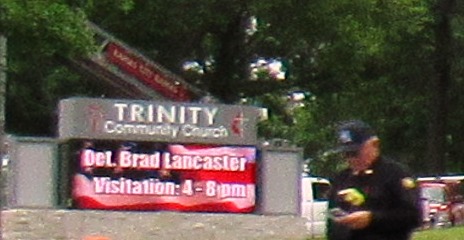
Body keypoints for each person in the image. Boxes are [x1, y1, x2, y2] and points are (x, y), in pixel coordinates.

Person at [326, 120, 422, 240]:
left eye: (355, 153)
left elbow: (413, 217)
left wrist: (372, 219)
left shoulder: (395, 174)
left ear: (374, 144)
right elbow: (332, 224)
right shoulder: (342, 178)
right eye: (346, 154)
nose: (351, 159)